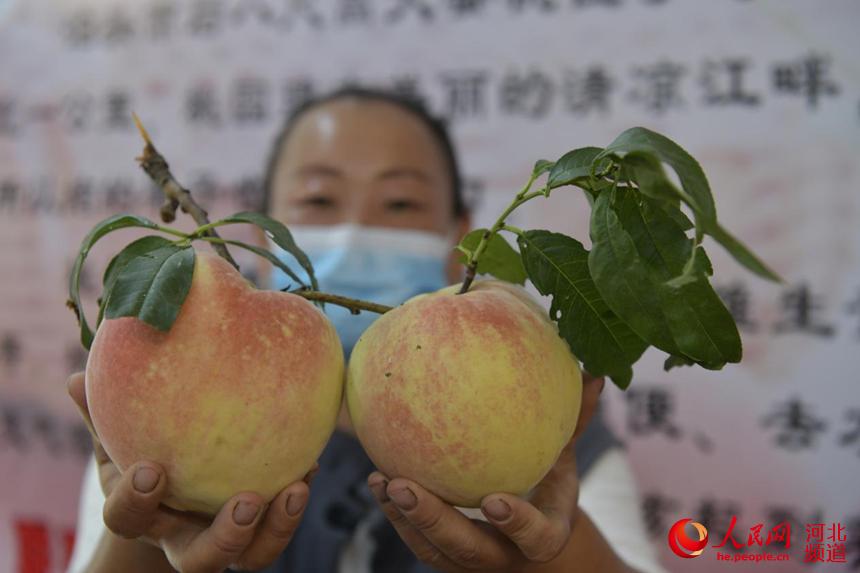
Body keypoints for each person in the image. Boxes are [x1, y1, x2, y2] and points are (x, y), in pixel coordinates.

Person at [67, 87, 666, 573]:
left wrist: (549, 556)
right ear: (258, 234)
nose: (356, 228)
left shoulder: (558, 434)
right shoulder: (170, 353)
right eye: (320, 199)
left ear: (460, 237)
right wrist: (145, 543)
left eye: (400, 204)